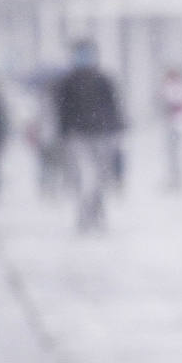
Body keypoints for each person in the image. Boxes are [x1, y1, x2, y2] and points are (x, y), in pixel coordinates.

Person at [53, 39, 125, 232]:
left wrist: (117, 129)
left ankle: (94, 213)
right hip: (79, 137)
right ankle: (87, 215)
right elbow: (62, 110)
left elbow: (114, 107)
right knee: (86, 178)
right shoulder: (68, 82)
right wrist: (63, 134)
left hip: (101, 134)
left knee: (98, 179)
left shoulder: (103, 79)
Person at [157, 65, 182, 192]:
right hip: (177, 123)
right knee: (173, 153)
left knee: (174, 153)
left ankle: (177, 180)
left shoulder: (175, 87)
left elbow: (175, 104)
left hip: (176, 124)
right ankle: (175, 178)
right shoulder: (178, 86)